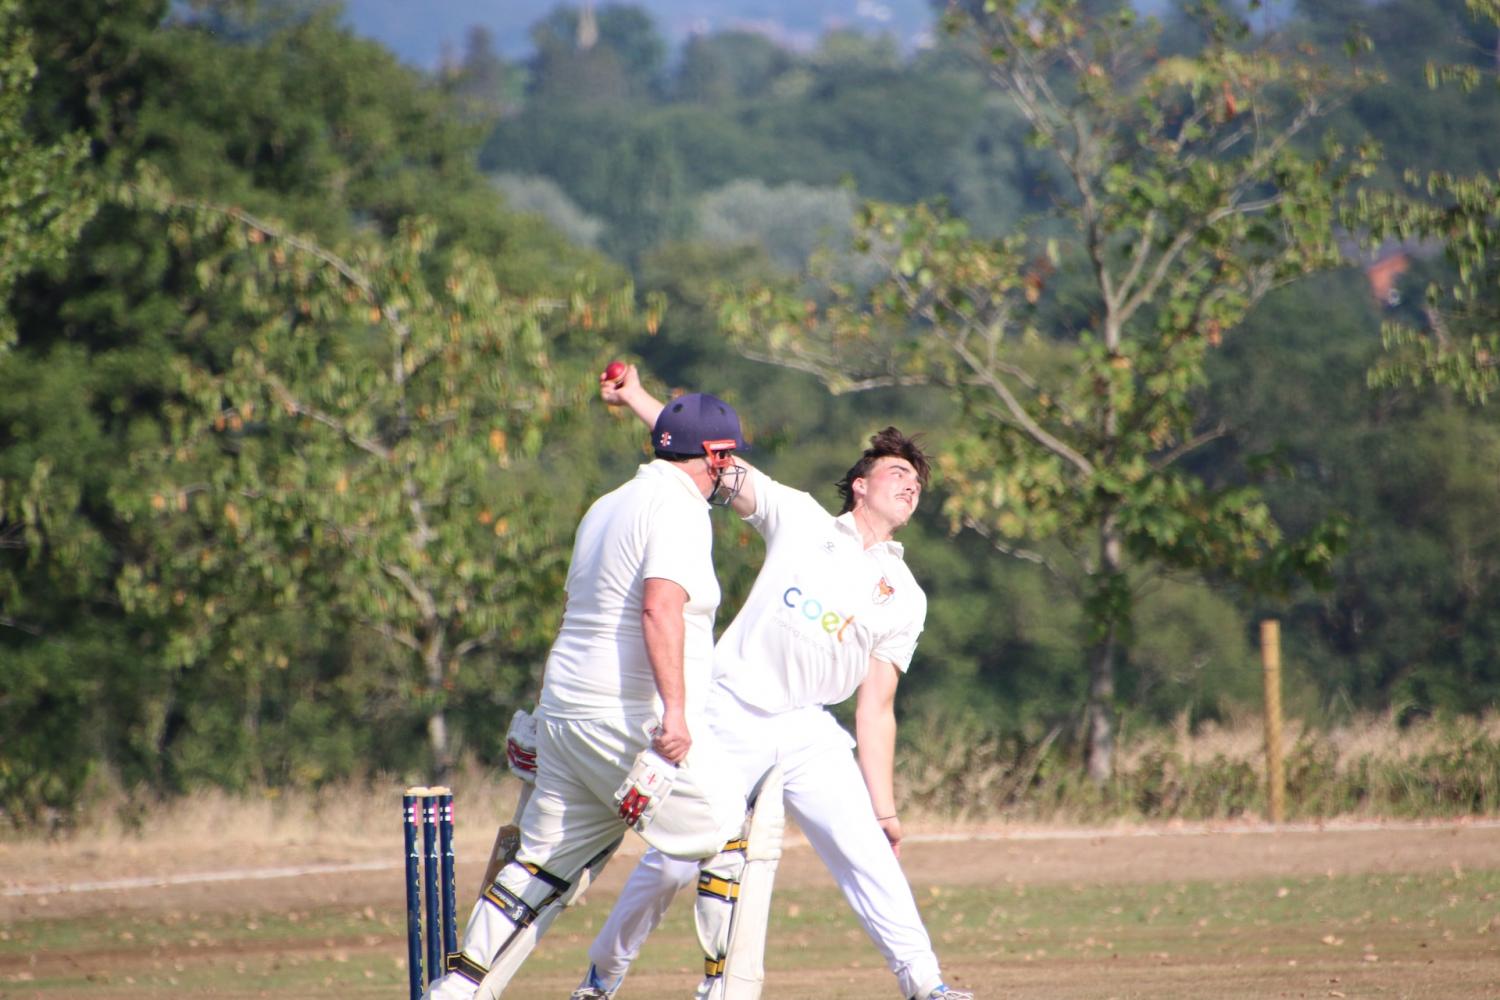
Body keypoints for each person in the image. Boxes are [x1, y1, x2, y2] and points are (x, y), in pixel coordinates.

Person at [570, 365, 973, 1000]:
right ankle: (602, 978)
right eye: (898, 474)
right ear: (860, 485)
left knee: (866, 852)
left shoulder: (907, 597)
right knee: (675, 860)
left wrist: (884, 807)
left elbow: (877, 708)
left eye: (918, 483)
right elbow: (710, 460)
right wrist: (637, 399)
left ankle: (927, 985)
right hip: (729, 708)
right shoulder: (803, 520)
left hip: (808, 727)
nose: (911, 486)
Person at [425, 390, 757, 1000]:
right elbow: (660, 609)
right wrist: (677, 714)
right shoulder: (679, 509)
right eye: (728, 455)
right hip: (628, 716)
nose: (730, 469)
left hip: (565, 712)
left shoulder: (607, 503)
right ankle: (724, 991)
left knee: (542, 865)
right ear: (711, 454)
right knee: (730, 825)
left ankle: (457, 987)